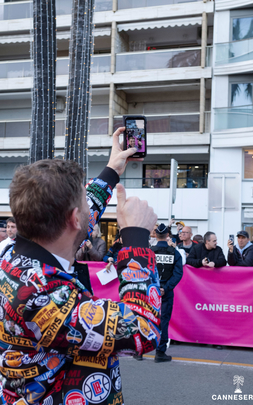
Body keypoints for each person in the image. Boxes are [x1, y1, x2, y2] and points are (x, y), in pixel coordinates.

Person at [0, 127, 161, 405]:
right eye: (83, 206)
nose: (90, 209)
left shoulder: (11, 256)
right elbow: (143, 330)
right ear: (75, 218)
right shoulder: (44, 295)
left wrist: (112, 169)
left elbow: (75, 219)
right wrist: (136, 238)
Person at [151, 223, 183, 362]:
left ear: (156, 235)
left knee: (144, 317)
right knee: (163, 321)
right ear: (168, 235)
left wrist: (153, 287)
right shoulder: (174, 252)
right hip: (166, 291)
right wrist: (165, 288)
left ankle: (139, 352)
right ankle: (160, 353)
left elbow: (143, 271)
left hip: (150, 290)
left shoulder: (149, 252)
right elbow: (178, 273)